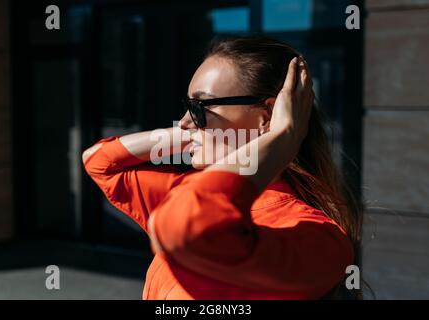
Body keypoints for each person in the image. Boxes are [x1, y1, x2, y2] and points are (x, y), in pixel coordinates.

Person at [82, 36, 362, 299]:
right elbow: (100, 161)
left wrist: (283, 136)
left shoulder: (316, 236)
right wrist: (185, 134)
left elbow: (189, 227)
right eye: (188, 106)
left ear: (268, 115)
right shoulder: (184, 191)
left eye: (200, 107)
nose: (184, 121)